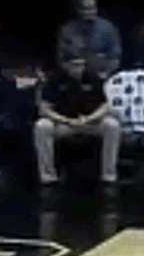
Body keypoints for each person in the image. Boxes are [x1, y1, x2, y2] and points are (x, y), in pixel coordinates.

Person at [33, 52, 122, 188]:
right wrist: (65, 120)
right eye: (75, 65)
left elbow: (105, 106)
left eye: (81, 65)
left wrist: (90, 118)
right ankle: (48, 176)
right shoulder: (55, 80)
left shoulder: (92, 77)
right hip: (63, 124)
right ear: (66, 65)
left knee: (112, 125)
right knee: (41, 126)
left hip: (89, 122)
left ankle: (109, 175)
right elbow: (44, 109)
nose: (78, 68)